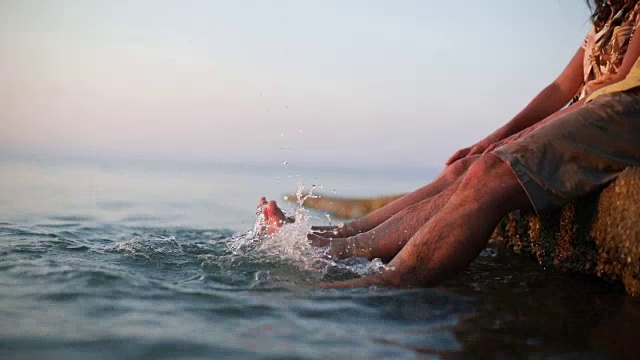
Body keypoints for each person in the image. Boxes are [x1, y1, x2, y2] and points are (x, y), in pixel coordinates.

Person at [258, 0, 640, 287]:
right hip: (600, 110)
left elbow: (614, 87)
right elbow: (560, 88)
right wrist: (488, 141)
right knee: (469, 166)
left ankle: (392, 281)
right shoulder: (610, 17)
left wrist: (518, 141)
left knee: (492, 174)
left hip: (627, 110)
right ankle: (337, 240)